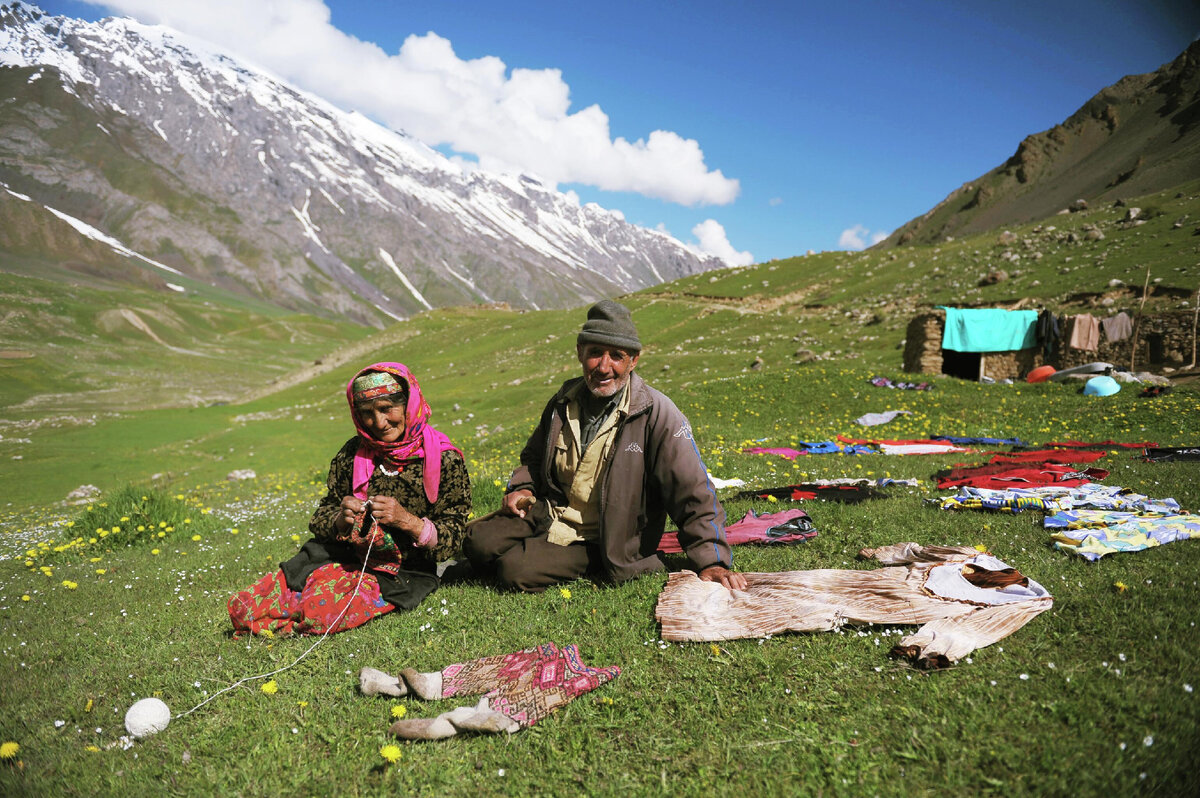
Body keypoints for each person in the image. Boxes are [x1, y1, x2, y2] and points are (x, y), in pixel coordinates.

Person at [464, 300, 746, 593]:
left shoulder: (657, 414)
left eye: (617, 356)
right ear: (579, 353)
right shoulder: (564, 400)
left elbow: (692, 490)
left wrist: (712, 560)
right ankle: (530, 549)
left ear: (634, 361)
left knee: (515, 570)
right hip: (550, 513)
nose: (603, 367)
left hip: (605, 538)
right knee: (476, 542)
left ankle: (609, 563)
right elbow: (533, 458)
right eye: (595, 353)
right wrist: (521, 487)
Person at [228, 362, 471, 636]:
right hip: (338, 558)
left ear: (409, 405)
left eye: (387, 408)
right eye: (366, 413)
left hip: (401, 572)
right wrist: (339, 519)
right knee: (245, 607)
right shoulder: (352, 453)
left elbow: (455, 536)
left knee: (320, 614)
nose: (378, 422)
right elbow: (321, 515)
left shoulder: (445, 460)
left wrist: (408, 521)